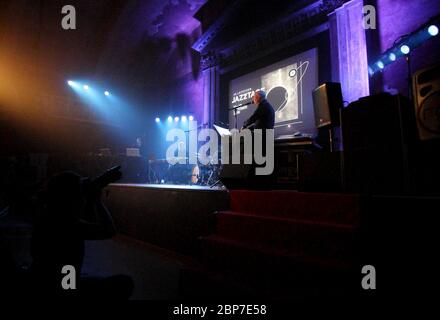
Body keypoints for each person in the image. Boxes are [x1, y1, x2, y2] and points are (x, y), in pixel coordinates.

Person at [30, 170, 133, 299]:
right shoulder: (68, 225)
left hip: (47, 282)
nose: (83, 199)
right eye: (80, 195)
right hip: (63, 287)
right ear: (70, 200)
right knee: (124, 283)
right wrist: (97, 201)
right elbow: (108, 230)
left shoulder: (48, 216)